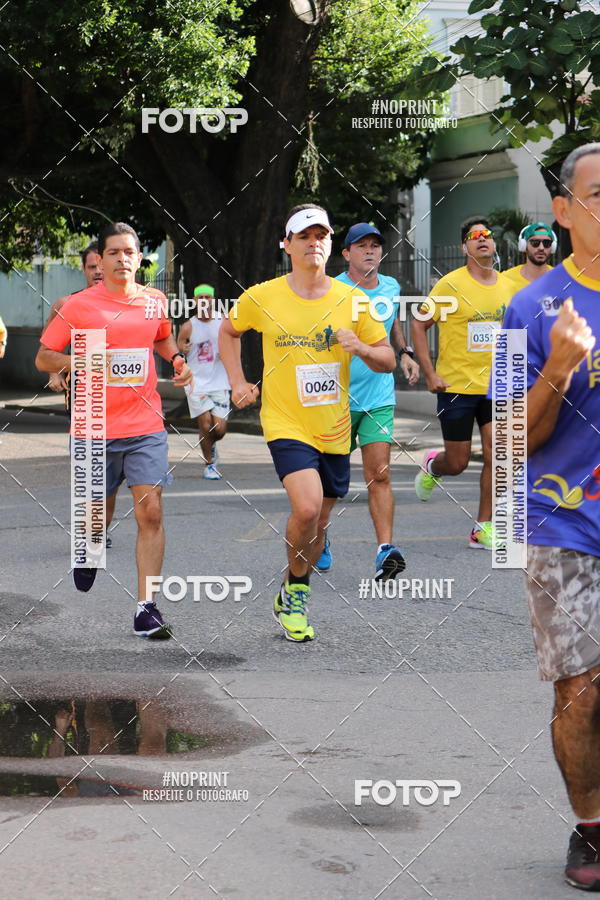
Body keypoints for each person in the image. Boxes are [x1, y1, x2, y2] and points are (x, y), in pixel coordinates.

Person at [219, 204, 395, 642]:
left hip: (334, 427)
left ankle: (293, 585)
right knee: (307, 507)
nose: (313, 243)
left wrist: (363, 348)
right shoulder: (263, 296)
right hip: (284, 422)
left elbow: (388, 358)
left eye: (321, 236)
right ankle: (298, 592)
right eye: (304, 236)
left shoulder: (353, 300)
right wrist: (237, 381)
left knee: (317, 525)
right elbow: (227, 331)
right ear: (288, 245)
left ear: (330, 245)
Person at [502, 143, 600, 891]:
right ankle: (591, 828)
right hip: (564, 522)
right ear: (563, 211)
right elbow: (509, 440)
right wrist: (558, 367)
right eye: (598, 194)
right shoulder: (527, 309)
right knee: (582, 687)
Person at [36, 222, 193, 639]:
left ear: (140, 258)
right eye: (114, 253)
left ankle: (146, 609)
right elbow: (44, 357)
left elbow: (162, 340)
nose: (123, 259)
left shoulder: (154, 301)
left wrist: (176, 361)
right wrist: (76, 362)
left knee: (151, 510)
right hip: (93, 426)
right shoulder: (79, 305)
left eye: (130, 252)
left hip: (145, 425)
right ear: (100, 262)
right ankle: (88, 551)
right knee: (97, 519)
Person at [315, 221, 419, 579]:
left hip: (378, 396)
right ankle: (321, 533)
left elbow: (390, 325)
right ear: (346, 254)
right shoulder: (332, 289)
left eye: (375, 245)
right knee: (332, 483)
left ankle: (384, 550)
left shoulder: (390, 286)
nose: (370, 250)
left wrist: (404, 352)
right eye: (361, 246)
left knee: (380, 475)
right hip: (337, 399)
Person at [411, 217, 514, 548]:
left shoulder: (509, 285)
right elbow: (418, 325)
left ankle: (483, 527)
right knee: (457, 463)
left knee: (496, 453)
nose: (482, 239)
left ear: (494, 244)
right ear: (464, 248)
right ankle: (434, 465)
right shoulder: (449, 286)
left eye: (487, 235)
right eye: (474, 236)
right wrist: (430, 373)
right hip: (455, 386)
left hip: (496, 386)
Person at [177, 284, 230, 480]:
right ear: (194, 301)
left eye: (208, 297)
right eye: (201, 298)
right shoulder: (189, 325)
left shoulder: (222, 321)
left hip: (219, 380)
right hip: (196, 381)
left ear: (213, 300)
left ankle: (212, 445)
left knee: (220, 429)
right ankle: (209, 464)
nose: (204, 301)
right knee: (205, 424)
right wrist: (185, 349)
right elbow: (179, 344)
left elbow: (232, 340)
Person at [46, 241, 103, 396]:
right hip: (81, 388)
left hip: (120, 386)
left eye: (101, 267)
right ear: (84, 269)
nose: (98, 271)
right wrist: (54, 373)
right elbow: (49, 345)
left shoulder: (126, 303)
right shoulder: (67, 303)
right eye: (92, 267)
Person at [503, 221, 556, 293]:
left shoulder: (560, 279)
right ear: (524, 245)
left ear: (552, 247)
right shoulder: (506, 278)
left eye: (547, 243)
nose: (541, 248)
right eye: (535, 243)